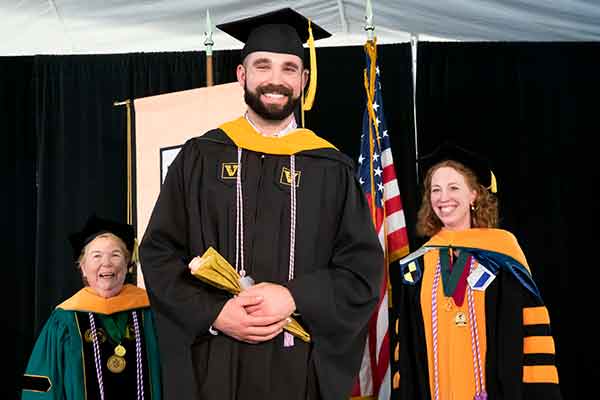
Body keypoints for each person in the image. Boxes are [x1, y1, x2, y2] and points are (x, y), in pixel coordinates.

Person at [139, 7, 383, 400]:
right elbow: (158, 252)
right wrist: (213, 313)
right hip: (213, 365)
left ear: (303, 81)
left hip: (297, 370)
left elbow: (361, 271)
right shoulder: (200, 157)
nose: (275, 80)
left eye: (289, 69)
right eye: (263, 66)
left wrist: (294, 296)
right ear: (242, 75)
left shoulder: (330, 168)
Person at [394, 142, 562, 399]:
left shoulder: (503, 256)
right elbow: (408, 353)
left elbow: (526, 337)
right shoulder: (418, 266)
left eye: (453, 188)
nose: (443, 198)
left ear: (473, 194)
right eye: (435, 190)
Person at [21, 215, 162, 400]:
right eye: (96, 256)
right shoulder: (65, 319)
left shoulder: (150, 313)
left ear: (128, 264)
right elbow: (40, 383)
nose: (106, 263)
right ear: (83, 267)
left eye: (115, 255)